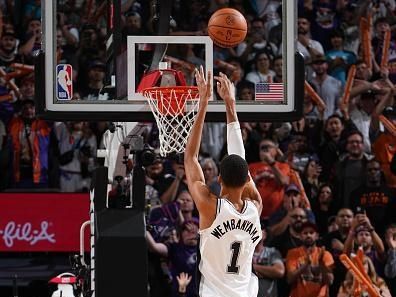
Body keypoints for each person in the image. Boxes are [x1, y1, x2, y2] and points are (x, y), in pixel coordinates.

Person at [184, 67, 262, 297]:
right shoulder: (255, 207)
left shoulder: (211, 207)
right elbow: (241, 161)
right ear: (247, 178)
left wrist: (204, 103)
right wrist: (231, 105)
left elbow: (189, 158)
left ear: (218, 179)